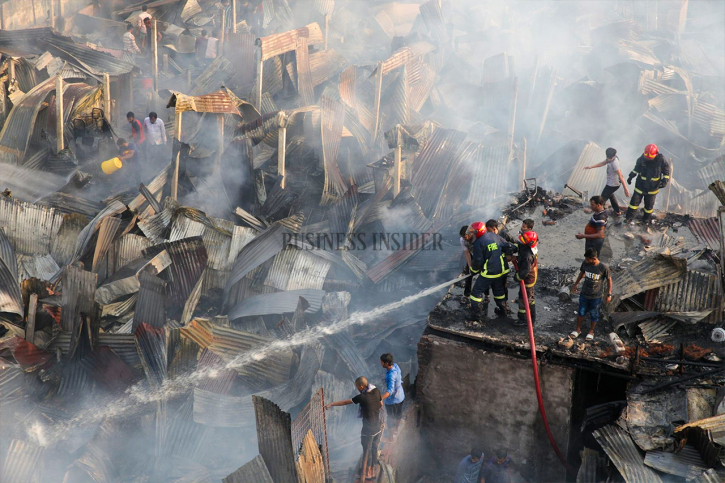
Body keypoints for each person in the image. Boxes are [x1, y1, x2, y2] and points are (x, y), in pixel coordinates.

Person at [326, 377, 382, 481]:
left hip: (368, 429)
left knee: (367, 450)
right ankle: (373, 471)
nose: (357, 388)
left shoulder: (363, 397)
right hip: (377, 427)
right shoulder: (376, 390)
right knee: (374, 448)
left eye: (357, 387)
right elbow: (380, 404)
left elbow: (345, 402)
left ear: (361, 386)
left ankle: (367, 473)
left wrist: (331, 404)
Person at [470, 220, 515, 320]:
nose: (472, 233)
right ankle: (503, 310)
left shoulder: (478, 243)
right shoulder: (494, 236)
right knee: (499, 290)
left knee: (476, 293)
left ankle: (476, 316)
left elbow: (478, 261)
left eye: (473, 232)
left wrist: (473, 271)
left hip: (490, 272)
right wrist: (510, 253)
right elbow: (508, 245)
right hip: (502, 271)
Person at [571, 248, 612, 341]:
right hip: (584, 294)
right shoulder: (585, 264)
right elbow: (582, 273)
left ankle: (591, 331)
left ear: (593, 258)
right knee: (581, 312)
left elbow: (609, 280)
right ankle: (578, 329)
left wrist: (609, 294)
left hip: (596, 296)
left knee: (594, 314)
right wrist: (576, 284)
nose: (586, 261)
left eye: (588, 259)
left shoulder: (603, 268)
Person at [624, 143, 670, 225]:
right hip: (640, 186)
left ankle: (646, 220)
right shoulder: (642, 158)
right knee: (633, 204)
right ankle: (628, 219)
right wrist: (631, 176)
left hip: (652, 187)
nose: (649, 159)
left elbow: (666, 171)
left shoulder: (661, 159)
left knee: (649, 206)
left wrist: (664, 181)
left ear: (656, 153)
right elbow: (637, 168)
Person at [584, 147, 630, 215]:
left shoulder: (615, 163)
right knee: (611, 196)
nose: (608, 159)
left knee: (602, 199)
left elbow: (621, 176)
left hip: (613, 184)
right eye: (607, 157)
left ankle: (598, 213)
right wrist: (591, 167)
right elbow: (603, 163)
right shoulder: (609, 158)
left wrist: (626, 189)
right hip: (610, 182)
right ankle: (617, 211)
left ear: (614, 156)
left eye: (610, 158)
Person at [514, 225, 538, 326]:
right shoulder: (531, 247)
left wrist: (517, 277)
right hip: (533, 275)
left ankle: (523, 320)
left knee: (523, 299)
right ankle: (532, 316)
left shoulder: (527, 256)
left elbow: (525, 271)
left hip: (528, 279)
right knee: (530, 298)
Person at [379, 353, 404, 436]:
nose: (380, 363)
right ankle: (396, 429)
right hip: (401, 396)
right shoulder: (395, 366)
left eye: (382, 362)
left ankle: (391, 438)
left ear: (386, 363)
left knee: (390, 419)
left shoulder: (391, 375)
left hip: (393, 400)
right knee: (398, 414)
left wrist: (380, 398)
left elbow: (390, 391)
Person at [460, 225, 474, 305]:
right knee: (468, 274)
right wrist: (470, 266)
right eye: (463, 237)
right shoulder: (462, 240)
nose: (464, 239)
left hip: (481, 255)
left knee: (484, 274)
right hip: (472, 254)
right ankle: (466, 295)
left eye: (465, 237)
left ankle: (486, 295)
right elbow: (466, 253)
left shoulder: (477, 238)